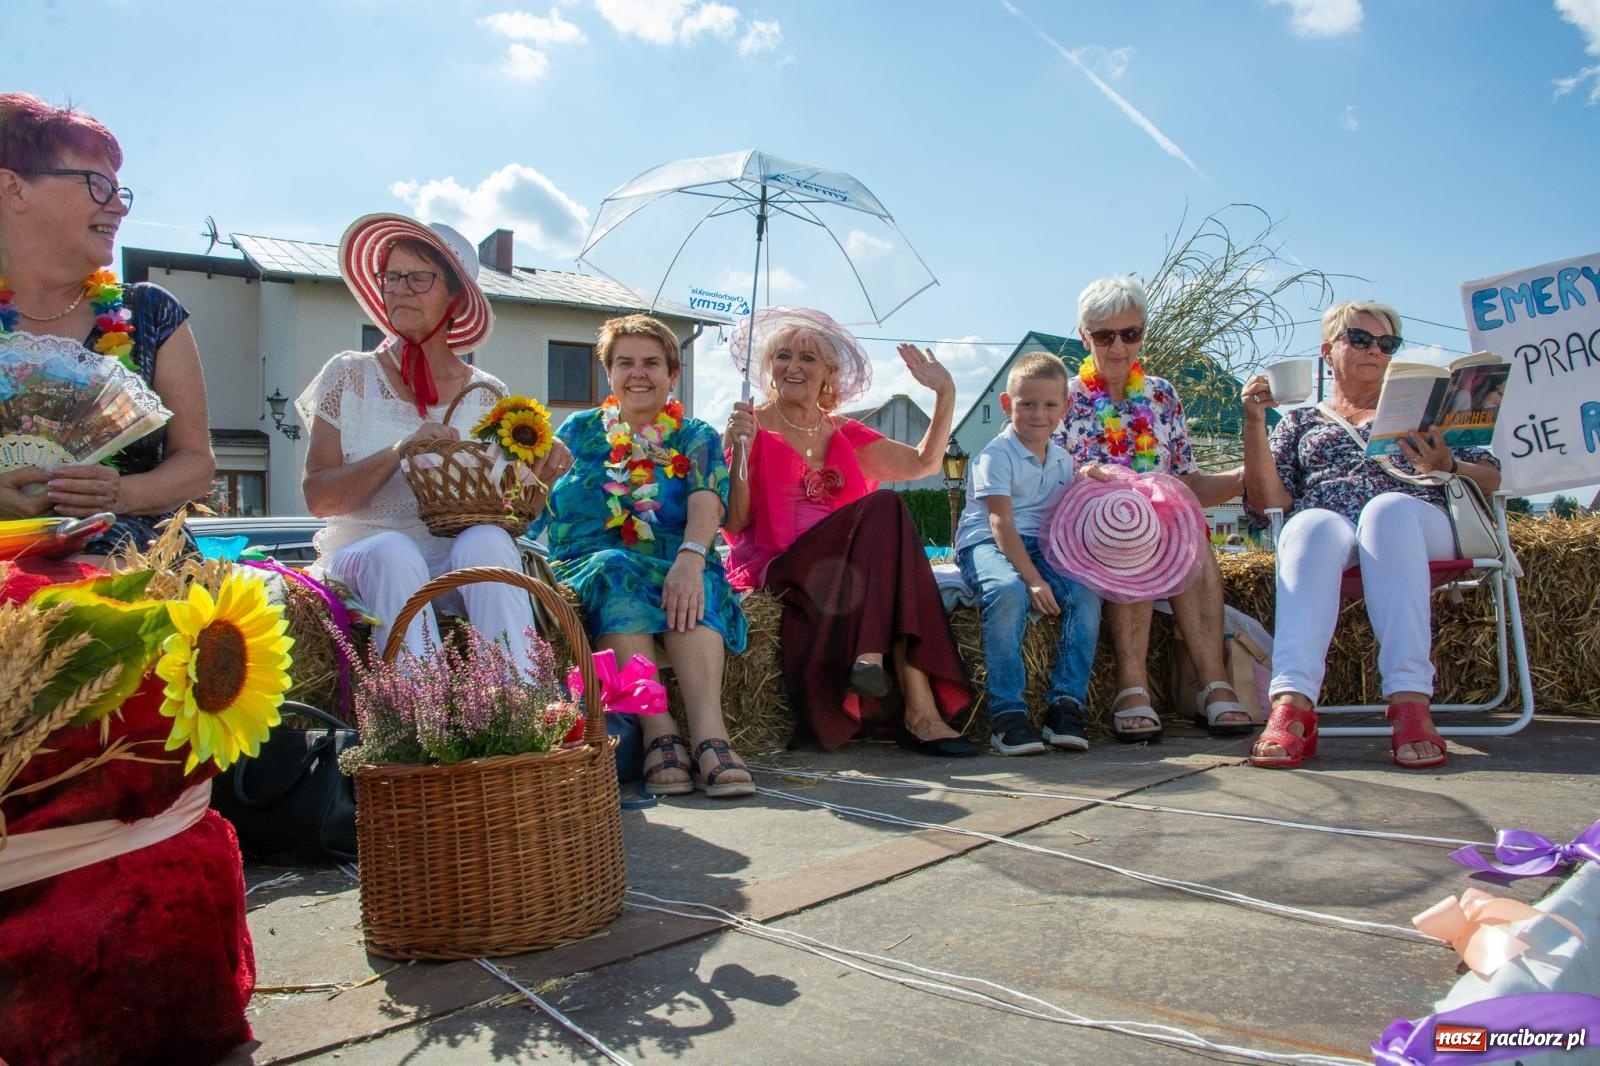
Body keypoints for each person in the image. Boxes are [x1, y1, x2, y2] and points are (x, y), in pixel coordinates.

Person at [297, 213, 570, 673]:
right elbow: (319, 498)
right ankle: (423, 721)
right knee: (393, 550)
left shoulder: (489, 395)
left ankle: (524, 706)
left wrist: (540, 479)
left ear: (455, 298)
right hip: (364, 554)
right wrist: (400, 451)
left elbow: (508, 511)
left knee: (487, 538)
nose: (399, 289)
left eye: (418, 278)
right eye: (392, 276)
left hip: (451, 563)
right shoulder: (349, 375)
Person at [1241, 300, 1500, 770]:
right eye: (1360, 339)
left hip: (1418, 521)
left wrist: (1447, 465)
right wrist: (1256, 423)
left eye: (1386, 343)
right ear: (1328, 350)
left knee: (1386, 511)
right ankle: (1293, 702)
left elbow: (1492, 477)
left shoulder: (1426, 413)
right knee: (1306, 523)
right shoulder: (1301, 423)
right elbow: (1268, 506)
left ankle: (1410, 700)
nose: (1375, 350)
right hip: (1334, 529)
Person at [723, 307, 977, 757]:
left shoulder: (842, 431)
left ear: (828, 374)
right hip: (783, 563)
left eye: (807, 358)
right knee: (885, 508)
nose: (793, 367)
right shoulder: (750, 423)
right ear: (769, 367)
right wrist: (740, 453)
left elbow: (924, 463)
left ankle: (901, 691)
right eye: (783, 356)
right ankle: (912, 702)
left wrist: (946, 393)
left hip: (844, 570)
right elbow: (736, 524)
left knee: (887, 515)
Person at [542, 314, 753, 798]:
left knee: (696, 583)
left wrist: (691, 557)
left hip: (678, 554)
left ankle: (710, 735)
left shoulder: (693, 434)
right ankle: (660, 732)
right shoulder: (577, 431)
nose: (638, 373)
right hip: (593, 560)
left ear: (672, 374)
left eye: (652, 363)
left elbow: (707, 497)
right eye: (625, 363)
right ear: (609, 373)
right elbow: (538, 498)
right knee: (618, 570)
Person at [0, 93, 214, 554]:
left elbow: (196, 462)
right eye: (97, 184)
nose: (118, 206)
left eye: (119, 190)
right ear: (14, 189)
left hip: (132, 569)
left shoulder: (150, 313)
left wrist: (120, 494)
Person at [1053, 275, 1251, 740]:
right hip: (1088, 529)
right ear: (1084, 337)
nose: (1119, 346)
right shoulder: (1060, 396)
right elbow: (1041, 478)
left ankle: (1212, 681)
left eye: (1130, 333)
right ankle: (1131, 684)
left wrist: (1248, 477)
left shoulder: (1162, 395)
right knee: (1132, 535)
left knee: (1189, 531)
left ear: (1143, 332)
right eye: (1104, 335)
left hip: (1161, 524)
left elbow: (1187, 482)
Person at [954, 352, 1105, 755]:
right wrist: (1034, 580)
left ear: (1065, 408)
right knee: (1008, 592)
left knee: (1086, 593)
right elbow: (1000, 523)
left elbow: (1069, 504)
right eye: (1027, 404)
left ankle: (1065, 705)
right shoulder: (995, 455)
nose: (1039, 414)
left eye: (1050, 404)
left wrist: (1088, 477)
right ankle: (1007, 714)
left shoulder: (1061, 459)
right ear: (1007, 405)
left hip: (1040, 543)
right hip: (984, 539)